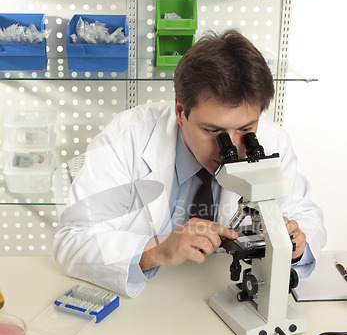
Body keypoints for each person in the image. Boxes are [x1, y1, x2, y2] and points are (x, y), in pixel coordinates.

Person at [52, 29, 326, 297]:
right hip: (149, 302)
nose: (231, 147)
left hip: (228, 292)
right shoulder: (127, 137)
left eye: (245, 129)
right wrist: (155, 250)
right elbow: (73, 239)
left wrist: (297, 245)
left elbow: (305, 217)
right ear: (181, 111)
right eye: (213, 131)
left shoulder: (273, 140)